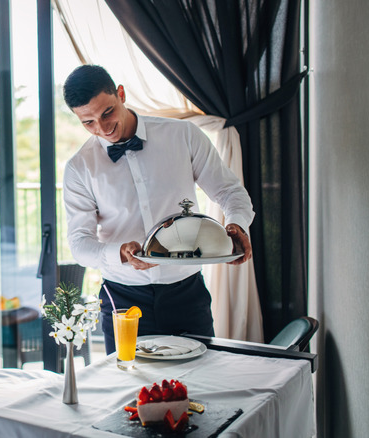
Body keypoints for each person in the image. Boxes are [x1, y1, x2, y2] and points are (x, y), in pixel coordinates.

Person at [61, 65, 254, 355]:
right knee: (131, 390)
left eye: (107, 113)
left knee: (203, 381)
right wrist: (119, 254)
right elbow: (79, 244)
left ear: (122, 94)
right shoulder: (79, 167)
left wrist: (237, 225)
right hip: (123, 299)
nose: (102, 129)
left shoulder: (183, 135)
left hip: (186, 291)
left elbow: (229, 191)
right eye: (88, 122)